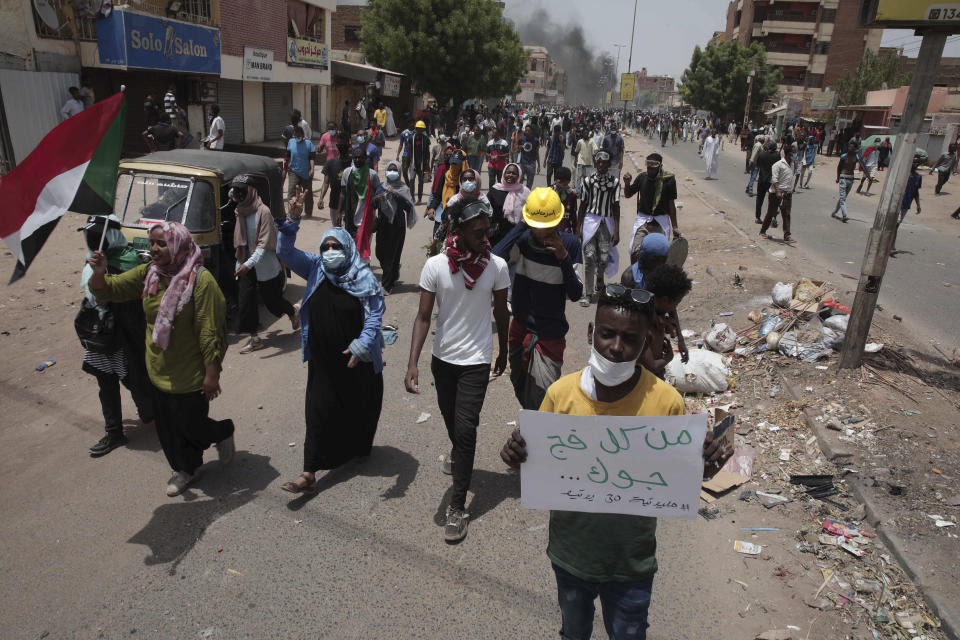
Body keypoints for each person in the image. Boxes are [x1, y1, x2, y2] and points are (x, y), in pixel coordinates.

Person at [500, 287, 732, 640]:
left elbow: (677, 475)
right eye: (607, 334)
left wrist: (705, 464)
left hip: (632, 563)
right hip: (571, 557)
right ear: (592, 333)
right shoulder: (560, 395)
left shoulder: (666, 402)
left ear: (645, 343)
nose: (616, 347)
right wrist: (518, 456)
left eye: (630, 338)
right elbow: (539, 466)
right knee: (574, 631)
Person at [88, 222, 234, 497]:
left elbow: (209, 330)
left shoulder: (201, 282)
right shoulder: (150, 274)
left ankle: (222, 431)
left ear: (178, 244)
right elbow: (109, 290)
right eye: (151, 242)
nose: (154, 249)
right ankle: (184, 469)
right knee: (167, 429)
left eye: (161, 243)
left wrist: (211, 373)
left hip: (190, 372)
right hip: (156, 368)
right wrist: (98, 273)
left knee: (192, 425)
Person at [404, 198, 511, 542]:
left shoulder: (496, 267)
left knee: (466, 429)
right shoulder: (435, 266)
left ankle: (457, 505)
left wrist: (504, 350)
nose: (485, 236)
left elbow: (501, 314)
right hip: (443, 359)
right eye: (477, 231)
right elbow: (423, 317)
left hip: (476, 360)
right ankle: (460, 455)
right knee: (453, 424)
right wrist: (412, 364)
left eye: (488, 230)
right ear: (459, 231)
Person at [276, 225, 385, 493]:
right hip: (323, 360)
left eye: (336, 247)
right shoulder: (316, 267)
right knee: (317, 409)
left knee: (359, 405)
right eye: (326, 247)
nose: (330, 252)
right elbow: (284, 252)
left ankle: (355, 449)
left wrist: (362, 345)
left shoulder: (363, 276)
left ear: (347, 248)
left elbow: (374, 313)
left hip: (356, 359)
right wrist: (290, 223)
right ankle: (309, 472)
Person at [493, 187, 582, 409]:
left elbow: (576, 293)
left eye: (547, 226)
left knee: (543, 398)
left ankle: (535, 434)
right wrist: (523, 224)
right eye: (537, 226)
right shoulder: (523, 242)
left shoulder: (570, 245)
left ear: (557, 222)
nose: (542, 232)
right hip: (520, 327)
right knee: (520, 385)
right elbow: (495, 257)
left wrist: (563, 258)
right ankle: (533, 428)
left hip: (549, 334)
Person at [79, 217, 156, 457]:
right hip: (102, 336)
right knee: (106, 383)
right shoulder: (91, 263)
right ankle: (114, 432)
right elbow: (92, 298)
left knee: (136, 379)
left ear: (112, 236)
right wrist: (94, 272)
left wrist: (101, 275)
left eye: (98, 234)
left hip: (127, 336)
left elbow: (113, 297)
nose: (92, 239)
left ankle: (156, 412)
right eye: (89, 234)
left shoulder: (130, 260)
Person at [229, 175, 298, 354]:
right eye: (236, 191)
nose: (238, 195)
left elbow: (263, 244)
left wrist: (248, 264)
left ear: (251, 192)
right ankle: (255, 339)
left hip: (265, 266)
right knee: (246, 302)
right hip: (246, 265)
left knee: (272, 302)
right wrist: (240, 263)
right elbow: (241, 242)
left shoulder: (263, 212)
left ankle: (292, 311)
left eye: (241, 191)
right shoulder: (240, 211)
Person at [577, 151, 621, 307]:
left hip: (605, 223)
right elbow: (582, 205)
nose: (601, 165)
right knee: (589, 257)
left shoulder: (615, 182)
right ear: (596, 164)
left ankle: (600, 279)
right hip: (590, 222)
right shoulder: (588, 181)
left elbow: (616, 207)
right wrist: (579, 226)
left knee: (603, 258)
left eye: (604, 162)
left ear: (609, 165)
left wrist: (616, 230)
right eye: (599, 162)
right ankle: (588, 293)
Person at [622, 152, 680, 252]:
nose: (650, 170)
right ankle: (636, 267)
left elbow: (671, 205)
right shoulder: (642, 178)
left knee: (662, 252)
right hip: (643, 221)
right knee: (634, 250)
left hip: (660, 221)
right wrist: (627, 184)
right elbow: (628, 195)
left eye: (653, 167)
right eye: (648, 167)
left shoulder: (669, 180)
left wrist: (675, 227)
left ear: (660, 166)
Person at [375, 160, 416, 292]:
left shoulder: (404, 188)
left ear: (398, 172)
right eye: (390, 170)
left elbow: (409, 207)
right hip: (383, 224)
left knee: (391, 255)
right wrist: (376, 199)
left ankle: (388, 285)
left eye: (395, 170)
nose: (392, 172)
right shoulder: (381, 186)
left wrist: (396, 195)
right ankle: (393, 272)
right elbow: (372, 205)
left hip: (397, 225)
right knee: (380, 253)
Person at [339, 147, 383, 258]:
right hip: (349, 217)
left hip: (366, 218)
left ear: (366, 158)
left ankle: (363, 271)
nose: (358, 160)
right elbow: (343, 194)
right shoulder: (347, 173)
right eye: (356, 157)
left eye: (361, 157)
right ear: (353, 158)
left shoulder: (372, 175)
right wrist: (339, 212)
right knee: (350, 248)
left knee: (363, 249)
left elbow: (378, 195)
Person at [487, 162, 530, 248]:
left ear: (519, 176)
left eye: (514, 173)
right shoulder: (495, 190)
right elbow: (487, 210)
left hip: (517, 233)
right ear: (504, 174)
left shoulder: (525, 192)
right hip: (497, 234)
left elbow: (529, 212)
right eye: (508, 172)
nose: (510, 175)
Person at [760, 145, 796, 243]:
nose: (795, 154)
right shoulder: (778, 164)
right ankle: (763, 230)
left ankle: (787, 235)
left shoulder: (792, 164)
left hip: (787, 193)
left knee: (786, 214)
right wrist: (778, 191)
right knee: (771, 213)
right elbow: (774, 179)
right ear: (788, 153)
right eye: (793, 152)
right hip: (776, 194)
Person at [284, 126, 316, 218]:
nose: (297, 136)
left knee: (307, 193)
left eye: (299, 135)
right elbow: (288, 156)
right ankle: (291, 212)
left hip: (306, 172)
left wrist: (312, 169)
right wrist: (285, 168)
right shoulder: (291, 142)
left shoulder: (308, 143)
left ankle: (308, 213)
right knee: (291, 192)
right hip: (293, 170)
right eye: (295, 135)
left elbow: (312, 158)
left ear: (302, 135)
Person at [831, 141, 866, 223]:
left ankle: (834, 212)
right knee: (843, 198)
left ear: (855, 148)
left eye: (852, 147)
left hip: (851, 179)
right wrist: (837, 177)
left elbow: (863, 166)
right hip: (843, 178)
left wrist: (868, 176)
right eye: (849, 146)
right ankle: (845, 215)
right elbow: (839, 167)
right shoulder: (844, 156)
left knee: (843, 198)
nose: (850, 148)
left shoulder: (857, 157)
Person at [893, 157, 922, 254]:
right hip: (897, 202)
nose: (914, 164)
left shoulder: (918, 177)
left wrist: (918, 205)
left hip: (906, 204)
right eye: (913, 161)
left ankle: (891, 245)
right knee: (895, 224)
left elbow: (916, 192)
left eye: (916, 162)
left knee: (896, 225)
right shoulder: (903, 174)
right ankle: (890, 246)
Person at [316, 121, 340, 212]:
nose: (331, 131)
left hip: (339, 164)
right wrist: (319, 148)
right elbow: (320, 149)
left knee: (338, 184)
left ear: (336, 128)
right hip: (329, 163)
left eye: (333, 129)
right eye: (329, 129)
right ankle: (321, 199)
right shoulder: (325, 136)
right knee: (326, 181)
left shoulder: (341, 136)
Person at [754, 141, 780, 224]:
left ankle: (758, 217)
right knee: (773, 201)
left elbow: (758, 165)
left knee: (759, 199)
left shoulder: (762, 155)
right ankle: (773, 218)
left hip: (762, 180)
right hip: (771, 181)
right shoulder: (777, 155)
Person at [573, 129, 597, 193]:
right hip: (581, 161)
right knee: (579, 176)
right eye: (584, 133)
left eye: (587, 133)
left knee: (587, 178)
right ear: (582, 134)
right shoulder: (580, 142)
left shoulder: (591, 141)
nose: (586, 134)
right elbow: (576, 151)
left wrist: (596, 152)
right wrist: (575, 161)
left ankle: (586, 191)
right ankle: (578, 191)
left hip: (589, 162)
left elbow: (595, 148)